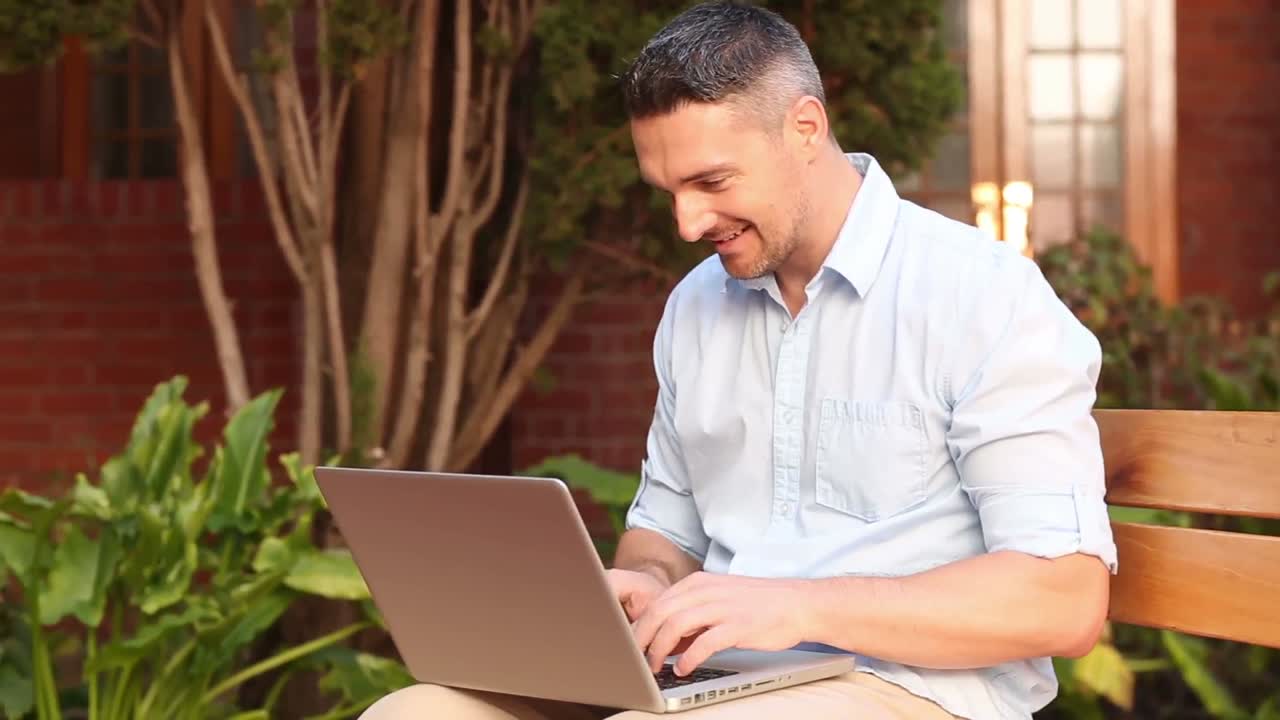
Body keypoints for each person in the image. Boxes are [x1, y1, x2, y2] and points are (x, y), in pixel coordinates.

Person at [360, 2, 1117, 718]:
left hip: (910, 691)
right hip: (718, 680)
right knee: (413, 711)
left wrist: (799, 605)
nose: (687, 223)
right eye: (668, 191)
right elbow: (664, 534)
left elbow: (1063, 600)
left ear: (805, 128)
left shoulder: (982, 296)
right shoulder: (696, 306)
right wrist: (646, 584)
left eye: (711, 182)